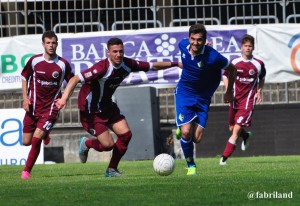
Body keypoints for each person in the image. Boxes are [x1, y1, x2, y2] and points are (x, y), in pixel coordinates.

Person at [55, 37, 181, 177]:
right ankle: (87, 143)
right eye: (114, 51)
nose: (118, 55)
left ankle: (111, 170)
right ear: (107, 52)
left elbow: (153, 66)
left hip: (107, 105)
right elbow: (75, 79)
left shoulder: (127, 64)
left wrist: (176, 63)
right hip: (90, 111)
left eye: (121, 51)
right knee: (108, 145)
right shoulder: (101, 68)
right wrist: (64, 98)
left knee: (126, 135)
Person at [175, 24, 237, 175]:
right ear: (189, 38)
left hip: (203, 98)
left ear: (205, 40)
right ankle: (191, 166)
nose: (195, 43)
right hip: (184, 93)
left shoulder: (213, 56)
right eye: (193, 39)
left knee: (196, 138)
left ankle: (182, 125)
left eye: (200, 40)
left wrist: (229, 91)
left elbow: (233, 69)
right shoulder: (183, 45)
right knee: (186, 132)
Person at [21, 30, 74, 179]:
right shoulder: (35, 61)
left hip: (50, 108)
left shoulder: (63, 64)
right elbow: (24, 77)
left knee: (36, 139)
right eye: (48, 43)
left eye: (53, 43)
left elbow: (72, 81)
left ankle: (26, 171)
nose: (51, 45)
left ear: (57, 44)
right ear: (43, 44)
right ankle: (46, 132)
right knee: (26, 142)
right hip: (33, 107)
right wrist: (25, 98)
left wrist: (64, 98)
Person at [220, 34, 266, 165]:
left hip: (247, 102)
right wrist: (228, 91)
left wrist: (259, 91)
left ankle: (224, 158)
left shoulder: (258, 64)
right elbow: (225, 76)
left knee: (235, 131)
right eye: (245, 46)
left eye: (250, 46)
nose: (248, 48)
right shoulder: (234, 62)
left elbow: (262, 78)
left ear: (253, 48)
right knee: (231, 128)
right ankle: (245, 136)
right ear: (241, 47)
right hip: (234, 99)